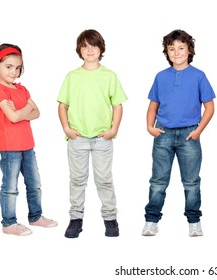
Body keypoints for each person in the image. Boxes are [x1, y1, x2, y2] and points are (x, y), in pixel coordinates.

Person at [142, 29, 216, 237]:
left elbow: (209, 107)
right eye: (172, 49)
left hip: (189, 135)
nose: (177, 52)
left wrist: (198, 130)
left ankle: (194, 221)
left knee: (191, 182)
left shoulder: (199, 76)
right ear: (167, 51)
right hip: (163, 133)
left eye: (181, 48)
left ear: (189, 50)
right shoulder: (161, 77)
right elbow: (152, 105)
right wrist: (150, 127)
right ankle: (151, 220)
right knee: (158, 180)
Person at [57, 29, 128, 238]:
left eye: (94, 45)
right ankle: (75, 219)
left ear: (101, 49)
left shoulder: (109, 75)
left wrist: (113, 129)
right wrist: (67, 129)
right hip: (77, 138)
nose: (90, 50)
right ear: (79, 49)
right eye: (85, 46)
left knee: (104, 179)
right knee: (77, 179)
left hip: (101, 138)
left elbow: (118, 105)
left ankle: (110, 219)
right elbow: (63, 105)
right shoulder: (72, 77)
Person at [0, 43, 58, 236]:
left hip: (28, 144)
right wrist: (24, 111)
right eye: (8, 66)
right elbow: (14, 117)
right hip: (9, 147)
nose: (14, 71)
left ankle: (36, 216)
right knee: (10, 187)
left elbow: (37, 112)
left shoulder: (22, 89)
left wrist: (20, 111)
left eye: (17, 68)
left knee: (34, 184)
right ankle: (9, 223)